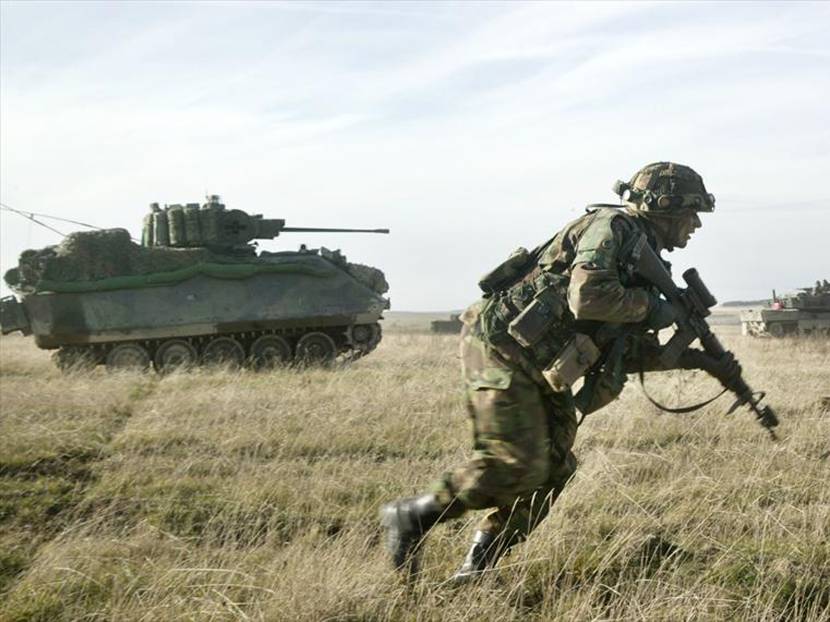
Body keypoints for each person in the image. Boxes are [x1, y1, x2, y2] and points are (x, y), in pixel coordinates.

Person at [380, 162, 742, 583]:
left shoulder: (644, 260)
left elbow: (633, 354)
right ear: (665, 207)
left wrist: (699, 360)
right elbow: (587, 297)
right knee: (517, 463)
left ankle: (476, 568)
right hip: (501, 349)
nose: (696, 224)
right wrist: (658, 309)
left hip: (540, 365)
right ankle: (411, 517)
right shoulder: (614, 228)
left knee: (554, 470)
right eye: (691, 213)